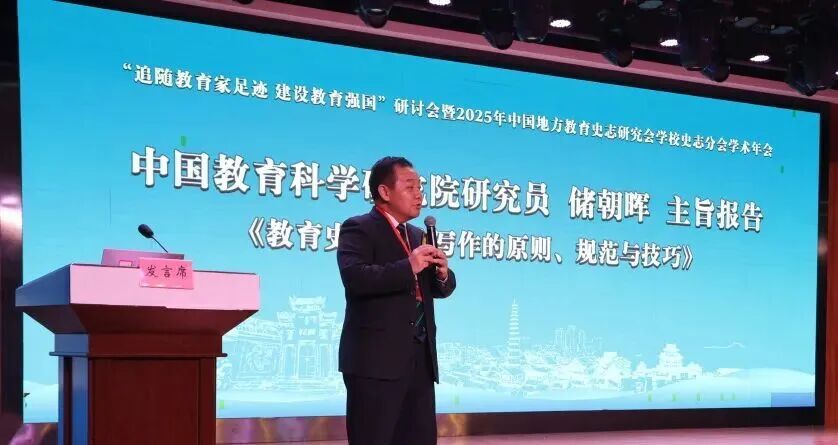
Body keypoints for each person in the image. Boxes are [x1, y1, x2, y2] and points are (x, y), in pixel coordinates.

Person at [337, 156, 457, 445]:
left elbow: (435, 289)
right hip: (375, 363)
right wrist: (409, 266)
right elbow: (356, 278)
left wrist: (443, 275)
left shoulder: (418, 235)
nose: (419, 195)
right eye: (410, 187)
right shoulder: (359, 228)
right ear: (385, 192)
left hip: (420, 361)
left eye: (420, 188)